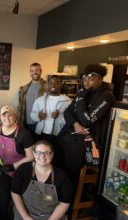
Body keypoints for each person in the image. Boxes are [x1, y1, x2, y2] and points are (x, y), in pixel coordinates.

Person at [58, 64, 115, 194]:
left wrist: (82, 95)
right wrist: (75, 124)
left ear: (101, 79)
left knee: (70, 174)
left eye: (91, 78)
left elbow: (87, 121)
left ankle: (68, 204)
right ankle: (57, 198)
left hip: (84, 142)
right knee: (57, 166)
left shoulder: (106, 96)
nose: (87, 81)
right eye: (85, 78)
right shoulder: (82, 92)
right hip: (68, 136)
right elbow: (67, 112)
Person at [11, 140, 72, 220]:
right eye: (38, 152)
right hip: (25, 216)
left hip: (51, 218)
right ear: (34, 154)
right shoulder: (22, 170)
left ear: (52, 155)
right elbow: (15, 193)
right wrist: (28, 219)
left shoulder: (62, 176)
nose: (42, 156)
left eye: (46, 153)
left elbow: (64, 203)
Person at [30, 76, 71, 155]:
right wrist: (38, 116)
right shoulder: (40, 100)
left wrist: (59, 116)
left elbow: (71, 120)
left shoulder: (68, 101)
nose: (53, 85)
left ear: (61, 85)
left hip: (58, 135)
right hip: (41, 134)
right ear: (48, 85)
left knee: (56, 156)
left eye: (56, 83)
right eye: (51, 83)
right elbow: (32, 115)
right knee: (40, 155)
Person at [13, 63, 47, 137]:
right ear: (30, 72)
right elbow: (20, 107)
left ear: (41, 71)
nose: (34, 73)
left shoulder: (47, 86)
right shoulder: (25, 88)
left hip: (42, 123)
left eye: (37, 70)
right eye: (32, 71)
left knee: (40, 146)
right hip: (26, 123)